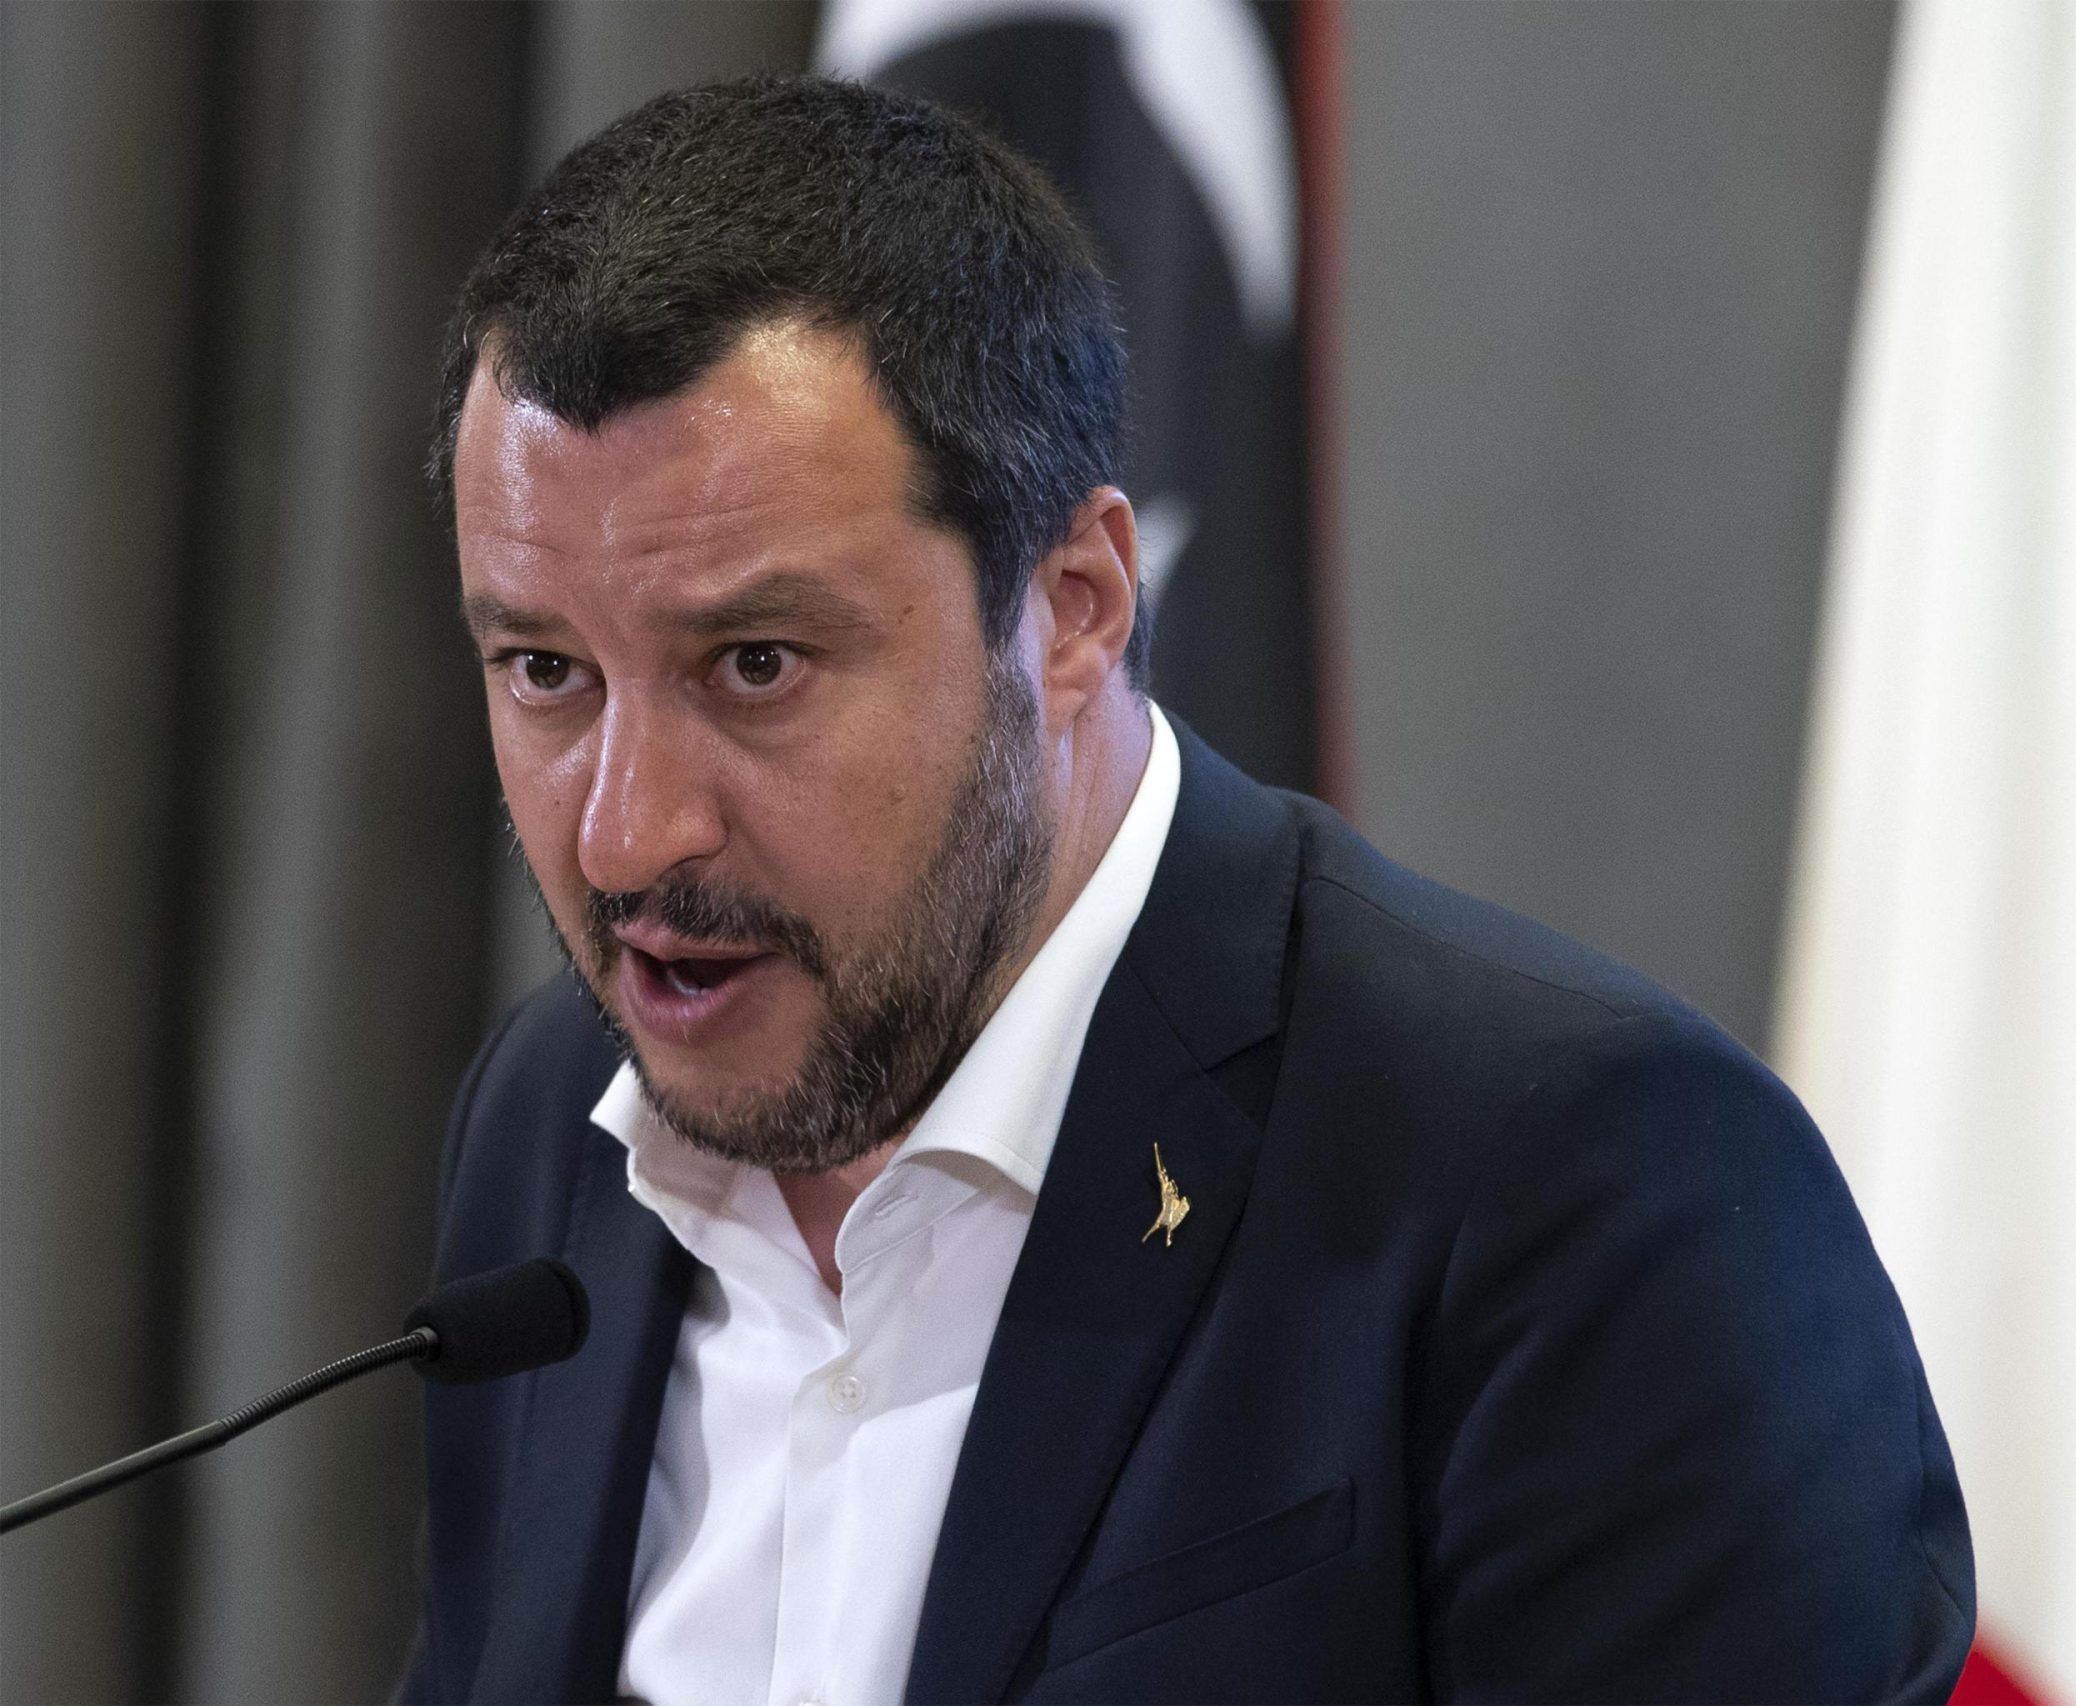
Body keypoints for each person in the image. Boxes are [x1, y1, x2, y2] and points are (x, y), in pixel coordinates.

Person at [406, 74, 1972, 1705]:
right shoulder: (556, 1122)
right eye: (544, 671)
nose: (626, 837)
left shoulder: (1576, 1189)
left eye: (756, 663)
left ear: (1076, 607)